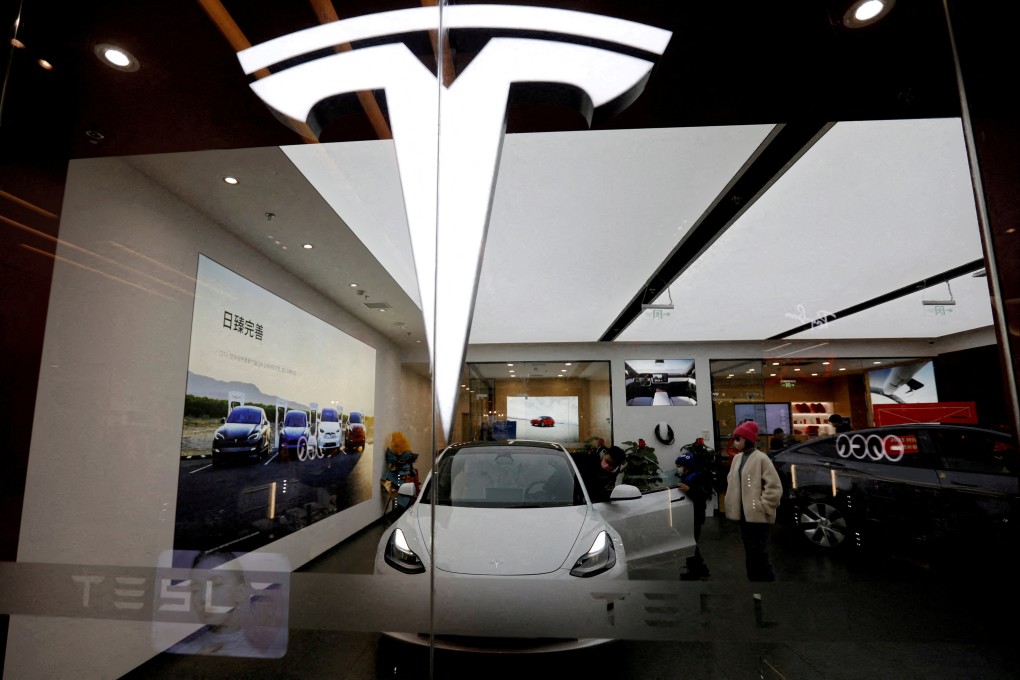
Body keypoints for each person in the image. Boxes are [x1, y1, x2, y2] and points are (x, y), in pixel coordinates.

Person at [724, 421, 783, 582]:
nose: (735, 442)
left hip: (758, 515)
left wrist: (764, 506)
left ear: (747, 439)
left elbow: (774, 486)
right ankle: (755, 585)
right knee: (750, 552)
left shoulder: (761, 458)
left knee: (759, 552)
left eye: (738, 438)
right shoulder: (737, 458)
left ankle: (766, 584)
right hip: (743, 515)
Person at [675, 449, 714, 580]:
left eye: (680, 466)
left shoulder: (698, 477)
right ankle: (701, 569)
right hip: (687, 514)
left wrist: (689, 490)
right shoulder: (686, 476)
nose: (679, 469)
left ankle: (695, 571)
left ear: (687, 466)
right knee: (690, 543)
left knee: (690, 543)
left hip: (695, 515)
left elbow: (703, 495)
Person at [380, 432, 419, 512]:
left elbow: (400, 461)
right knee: (396, 490)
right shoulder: (404, 454)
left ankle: (399, 507)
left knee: (399, 492)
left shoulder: (406, 454)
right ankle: (398, 506)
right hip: (399, 477)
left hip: (402, 478)